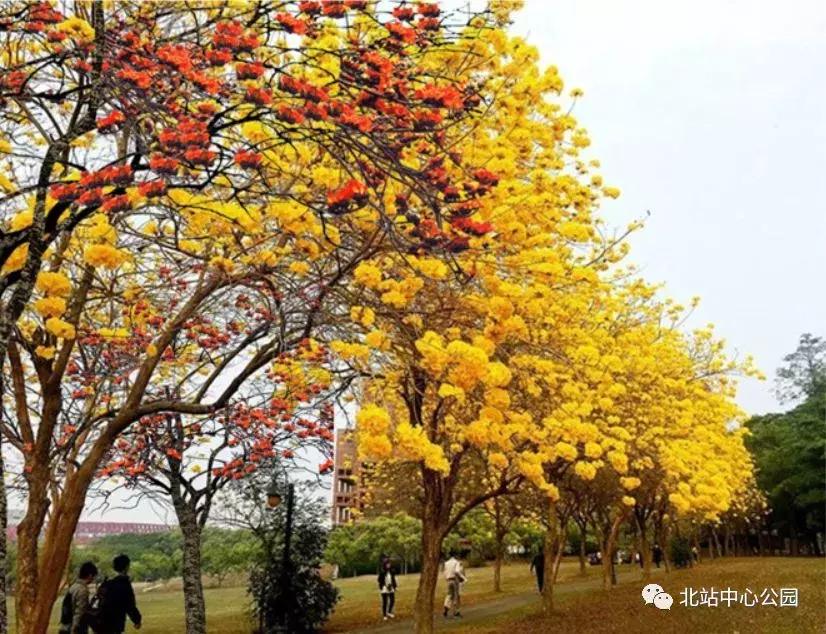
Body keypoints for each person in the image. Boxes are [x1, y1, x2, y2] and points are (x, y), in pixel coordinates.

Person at [98, 554, 142, 633]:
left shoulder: (107, 583)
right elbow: (130, 605)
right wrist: (137, 620)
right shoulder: (124, 584)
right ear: (126, 567)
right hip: (116, 623)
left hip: (101, 622)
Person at [59, 561, 98, 634]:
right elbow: (80, 612)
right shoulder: (82, 590)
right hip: (74, 628)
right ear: (90, 575)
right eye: (93, 576)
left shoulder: (74, 586)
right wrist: (74, 629)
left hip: (65, 625)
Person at [442, 552, 466, 618]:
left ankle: (446, 608)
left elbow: (445, 572)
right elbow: (457, 571)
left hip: (449, 580)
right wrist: (464, 578)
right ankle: (456, 612)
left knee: (449, 595)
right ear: (455, 555)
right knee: (456, 596)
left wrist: (447, 578)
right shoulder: (456, 562)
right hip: (455, 580)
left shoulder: (446, 563)